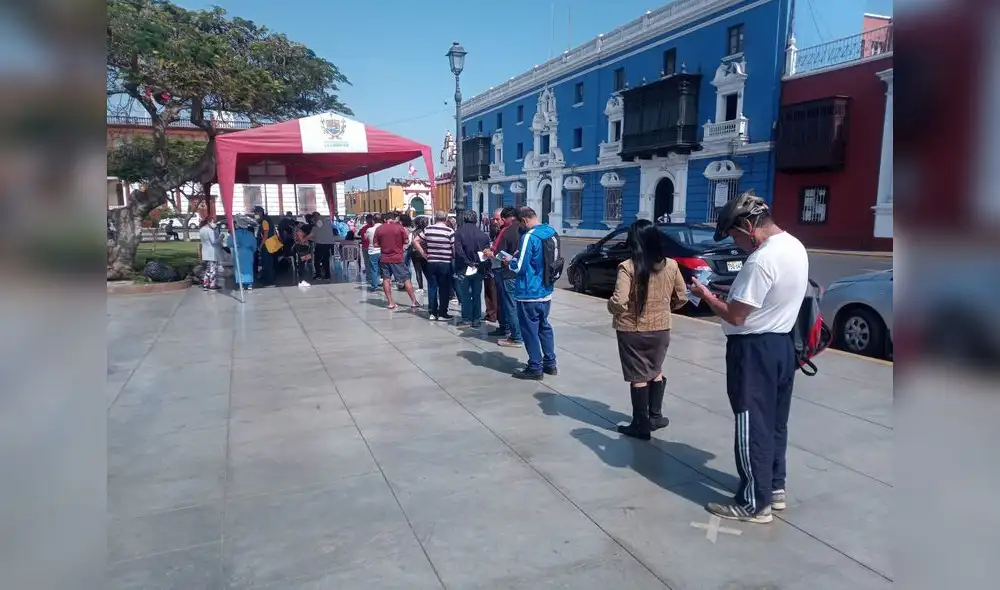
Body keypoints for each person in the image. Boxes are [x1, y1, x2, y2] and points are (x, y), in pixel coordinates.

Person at [689, 190, 809, 525]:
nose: (736, 243)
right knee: (774, 422)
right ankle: (775, 487)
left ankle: (755, 503)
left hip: (753, 351)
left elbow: (736, 316)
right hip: (782, 345)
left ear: (748, 225)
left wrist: (707, 295)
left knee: (751, 423)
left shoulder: (761, 259)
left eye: (734, 234)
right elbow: (768, 298)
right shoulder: (795, 247)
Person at [608, 219, 689, 440]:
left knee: (638, 374)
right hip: (661, 328)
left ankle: (640, 425)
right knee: (656, 368)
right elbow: (682, 297)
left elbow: (619, 300)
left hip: (632, 329)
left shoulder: (628, 267)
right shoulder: (671, 265)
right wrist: (665, 309)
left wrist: (612, 308)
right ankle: (655, 416)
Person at [506, 206, 558, 379]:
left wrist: (509, 261)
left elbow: (519, 267)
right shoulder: (550, 231)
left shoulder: (529, 236)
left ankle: (535, 367)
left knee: (529, 330)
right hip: (546, 289)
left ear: (525, 220)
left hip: (529, 292)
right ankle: (550, 363)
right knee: (544, 326)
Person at [486, 207, 523, 347]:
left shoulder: (506, 231)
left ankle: (516, 337)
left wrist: (488, 253)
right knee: (518, 304)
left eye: (500, 218)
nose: (498, 221)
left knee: (510, 304)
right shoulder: (524, 229)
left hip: (508, 272)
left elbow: (496, 252)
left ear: (507, 218)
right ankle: (518, 332)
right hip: (522, 272)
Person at [373, 212, 420, 310]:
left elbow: (375, 244)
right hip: (397, 257)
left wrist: (384, 245)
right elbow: (406, 241)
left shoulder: (379, 229)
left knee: (386, 279)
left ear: (385, 220)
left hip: (384, 258)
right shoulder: (399, 228)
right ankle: (414, 301)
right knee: (406, 278)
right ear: (393, 219)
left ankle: (390, 302)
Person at [413, 210, 455, 321]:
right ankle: (442, 313)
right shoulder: (449, 231)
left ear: (435, 218)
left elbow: (415, 241)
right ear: (446, 219)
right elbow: (454, 247)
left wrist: (424, 254)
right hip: (445, 263)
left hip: (431, 262)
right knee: (444, 288)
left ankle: (432, 312)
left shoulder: (428, 229)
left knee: (432, 287)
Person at [454, 209, 492, 328]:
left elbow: (459, 251)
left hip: (464, 267)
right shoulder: (483, 235)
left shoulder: (459, 233)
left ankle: (466, 318)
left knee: (465, 294)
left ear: (464, 218)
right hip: (479, 268)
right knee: (476, 293)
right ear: (476, 219)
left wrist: (468, 262)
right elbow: (486, 253)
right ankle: (476, 319)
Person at [482, 207, 503, 323]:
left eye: (497, 219)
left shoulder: (506, 232)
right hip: (495, 268)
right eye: (493, 219)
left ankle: (499, 319)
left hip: (501, 269)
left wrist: (491, 253)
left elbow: (505, 253)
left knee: (497, 295)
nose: (494, 222)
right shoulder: (498, 231)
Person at [228, 216, 256, 291]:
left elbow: (229, 243)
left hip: (238, 253)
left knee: (239, 269)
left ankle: (241, 284)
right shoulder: (250, 234)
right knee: (248, 269)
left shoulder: (234, 234)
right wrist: (253, 250)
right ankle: (249, 284)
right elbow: (254, 245)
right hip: (248, 253)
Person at [309, 211, 337, 281]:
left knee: (317, 260)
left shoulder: (319, 222)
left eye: (313, 218)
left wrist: (303, 239)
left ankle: (318, 275)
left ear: (315, 217)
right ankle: (327, 275)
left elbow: (312, 234)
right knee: (326, 260)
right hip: (329, 244)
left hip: (321, 244)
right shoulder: (328, 221)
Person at [252, 206, 277, 286]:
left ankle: (268, 280)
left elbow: (265, 234)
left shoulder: (264, 221)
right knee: (269, 262)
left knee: (267, 263)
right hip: (271, 244)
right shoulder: (268, 219)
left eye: (255, 213)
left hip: (267, 244)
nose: (255, 215)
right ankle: (269, 278)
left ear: (260, 213)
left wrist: (261, 245)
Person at [198, 217, 222, 290]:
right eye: (214, 222)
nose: (214, 224)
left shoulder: (201, 230)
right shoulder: (210, 231)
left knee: (208, 269)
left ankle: (206, 283)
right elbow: (214, 241)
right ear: (209, 222)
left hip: (205, 251)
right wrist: (221, 238)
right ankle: (212, 284)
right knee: (213, 269)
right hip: (212, 252)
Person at [410, 216, 429, 292]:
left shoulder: (413, 232)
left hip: (415, 253)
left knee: (418, 270)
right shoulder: (427, 232)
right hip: (426, 253)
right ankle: (431, 284)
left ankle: (420, 287)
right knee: (427, 270)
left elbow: (411, 243)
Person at [364, 214, 383, 291]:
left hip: (373, 251)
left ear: (373, 220)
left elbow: (366, 238)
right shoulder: (384, 228)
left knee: (374, 268)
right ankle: (385, 284)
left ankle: (374, 285)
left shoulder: (369, 230)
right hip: (383, 251)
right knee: (384, 269)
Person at [358, 214, 375, 283]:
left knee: (367, 263)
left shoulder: (364, 228)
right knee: (374, 263)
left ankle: (369, 277)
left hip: (365, 247)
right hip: (373, 247)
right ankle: (375, 277)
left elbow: (359, 235)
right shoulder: (375, 227)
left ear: (366, 220)